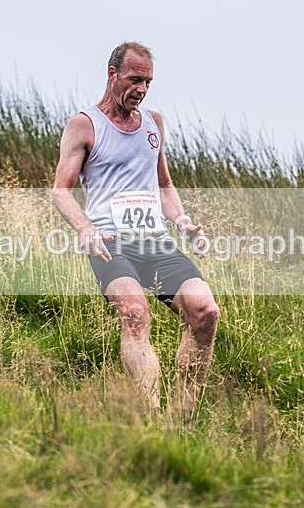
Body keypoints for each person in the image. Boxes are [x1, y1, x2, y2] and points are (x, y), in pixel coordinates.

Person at [52, 42, 220, 421]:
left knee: (205, 311)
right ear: (112, 74)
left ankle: (182, 422)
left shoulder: (153, 123)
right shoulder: (84, 125)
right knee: (134, 311)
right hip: (111, 244)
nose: (142, 89)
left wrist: (182, 223)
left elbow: (163, 183)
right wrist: (85, 228)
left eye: (148, 81)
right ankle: (153, 421)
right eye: (134, 79)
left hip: (156, 242)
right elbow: (60, 190)